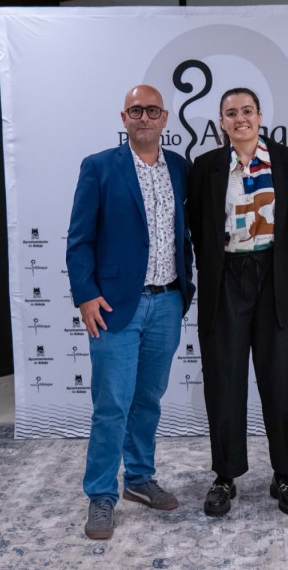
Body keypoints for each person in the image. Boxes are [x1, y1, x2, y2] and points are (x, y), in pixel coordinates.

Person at [66, 84, 195, 540]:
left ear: (164, 118)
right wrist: (85, 295)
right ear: (124, 118)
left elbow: (187, 233)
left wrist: (185, 288)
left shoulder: (180, 168)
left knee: (148, 400)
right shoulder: (99, 166)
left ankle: (139, 478)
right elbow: (79, 238)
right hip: (115, 305)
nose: (144, 117)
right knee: (112, 405)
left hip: (168, 301)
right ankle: (101, 495)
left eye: (152, 110)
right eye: (136, 110)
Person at [188, 87, 288, 517]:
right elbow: (198, 227)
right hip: (226, 279)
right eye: (231, 113)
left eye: (247, 111)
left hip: (274, 279)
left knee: (280, 379)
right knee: (224, 379)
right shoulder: (205, 166)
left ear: (260, 116)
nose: (240, 118)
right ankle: (225, 475)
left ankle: (284, 473)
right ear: (221, 121)